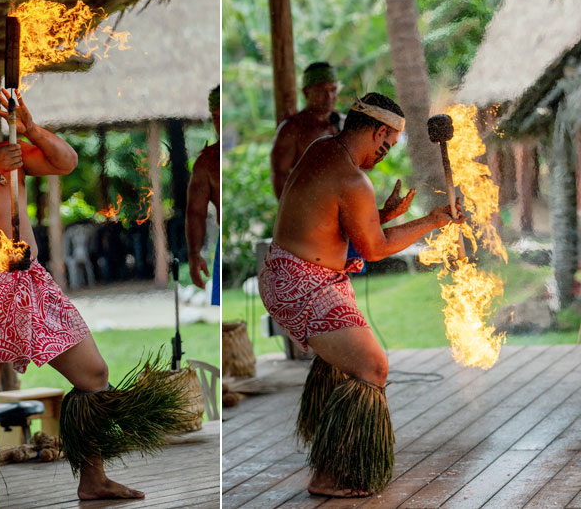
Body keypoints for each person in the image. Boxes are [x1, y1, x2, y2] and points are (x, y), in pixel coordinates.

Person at [0, 79, 187, 509]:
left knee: (93, 375)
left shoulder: (14, 151)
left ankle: (94, 480)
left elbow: (66, 161)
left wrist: (30, 129)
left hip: (30, 281)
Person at [258, 92, 465, 498]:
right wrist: (433, 220)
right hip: (304, 284)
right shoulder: (354, 180)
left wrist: (383, 216)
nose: (384, 155)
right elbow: (373, 249)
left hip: (290, 273)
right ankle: (329, 475)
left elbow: (326, 218)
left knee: (352, 362)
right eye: (385, 145)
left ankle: (332, 455)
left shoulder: (324, 150)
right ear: (378, 130)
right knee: (373, 366)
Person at [270, 61, 343, 200]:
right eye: (322, 90)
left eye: (333, 90)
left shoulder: (345, 122)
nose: (329, 97)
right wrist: (293, 212)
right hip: (310, 207)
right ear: (306, 92)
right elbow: (279, 175)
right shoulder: (291, 129)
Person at [185, 85, 220, 305]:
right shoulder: (206, 162)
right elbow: (195, 212)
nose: (218, 122)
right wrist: (194, 254)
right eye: (215, 116)